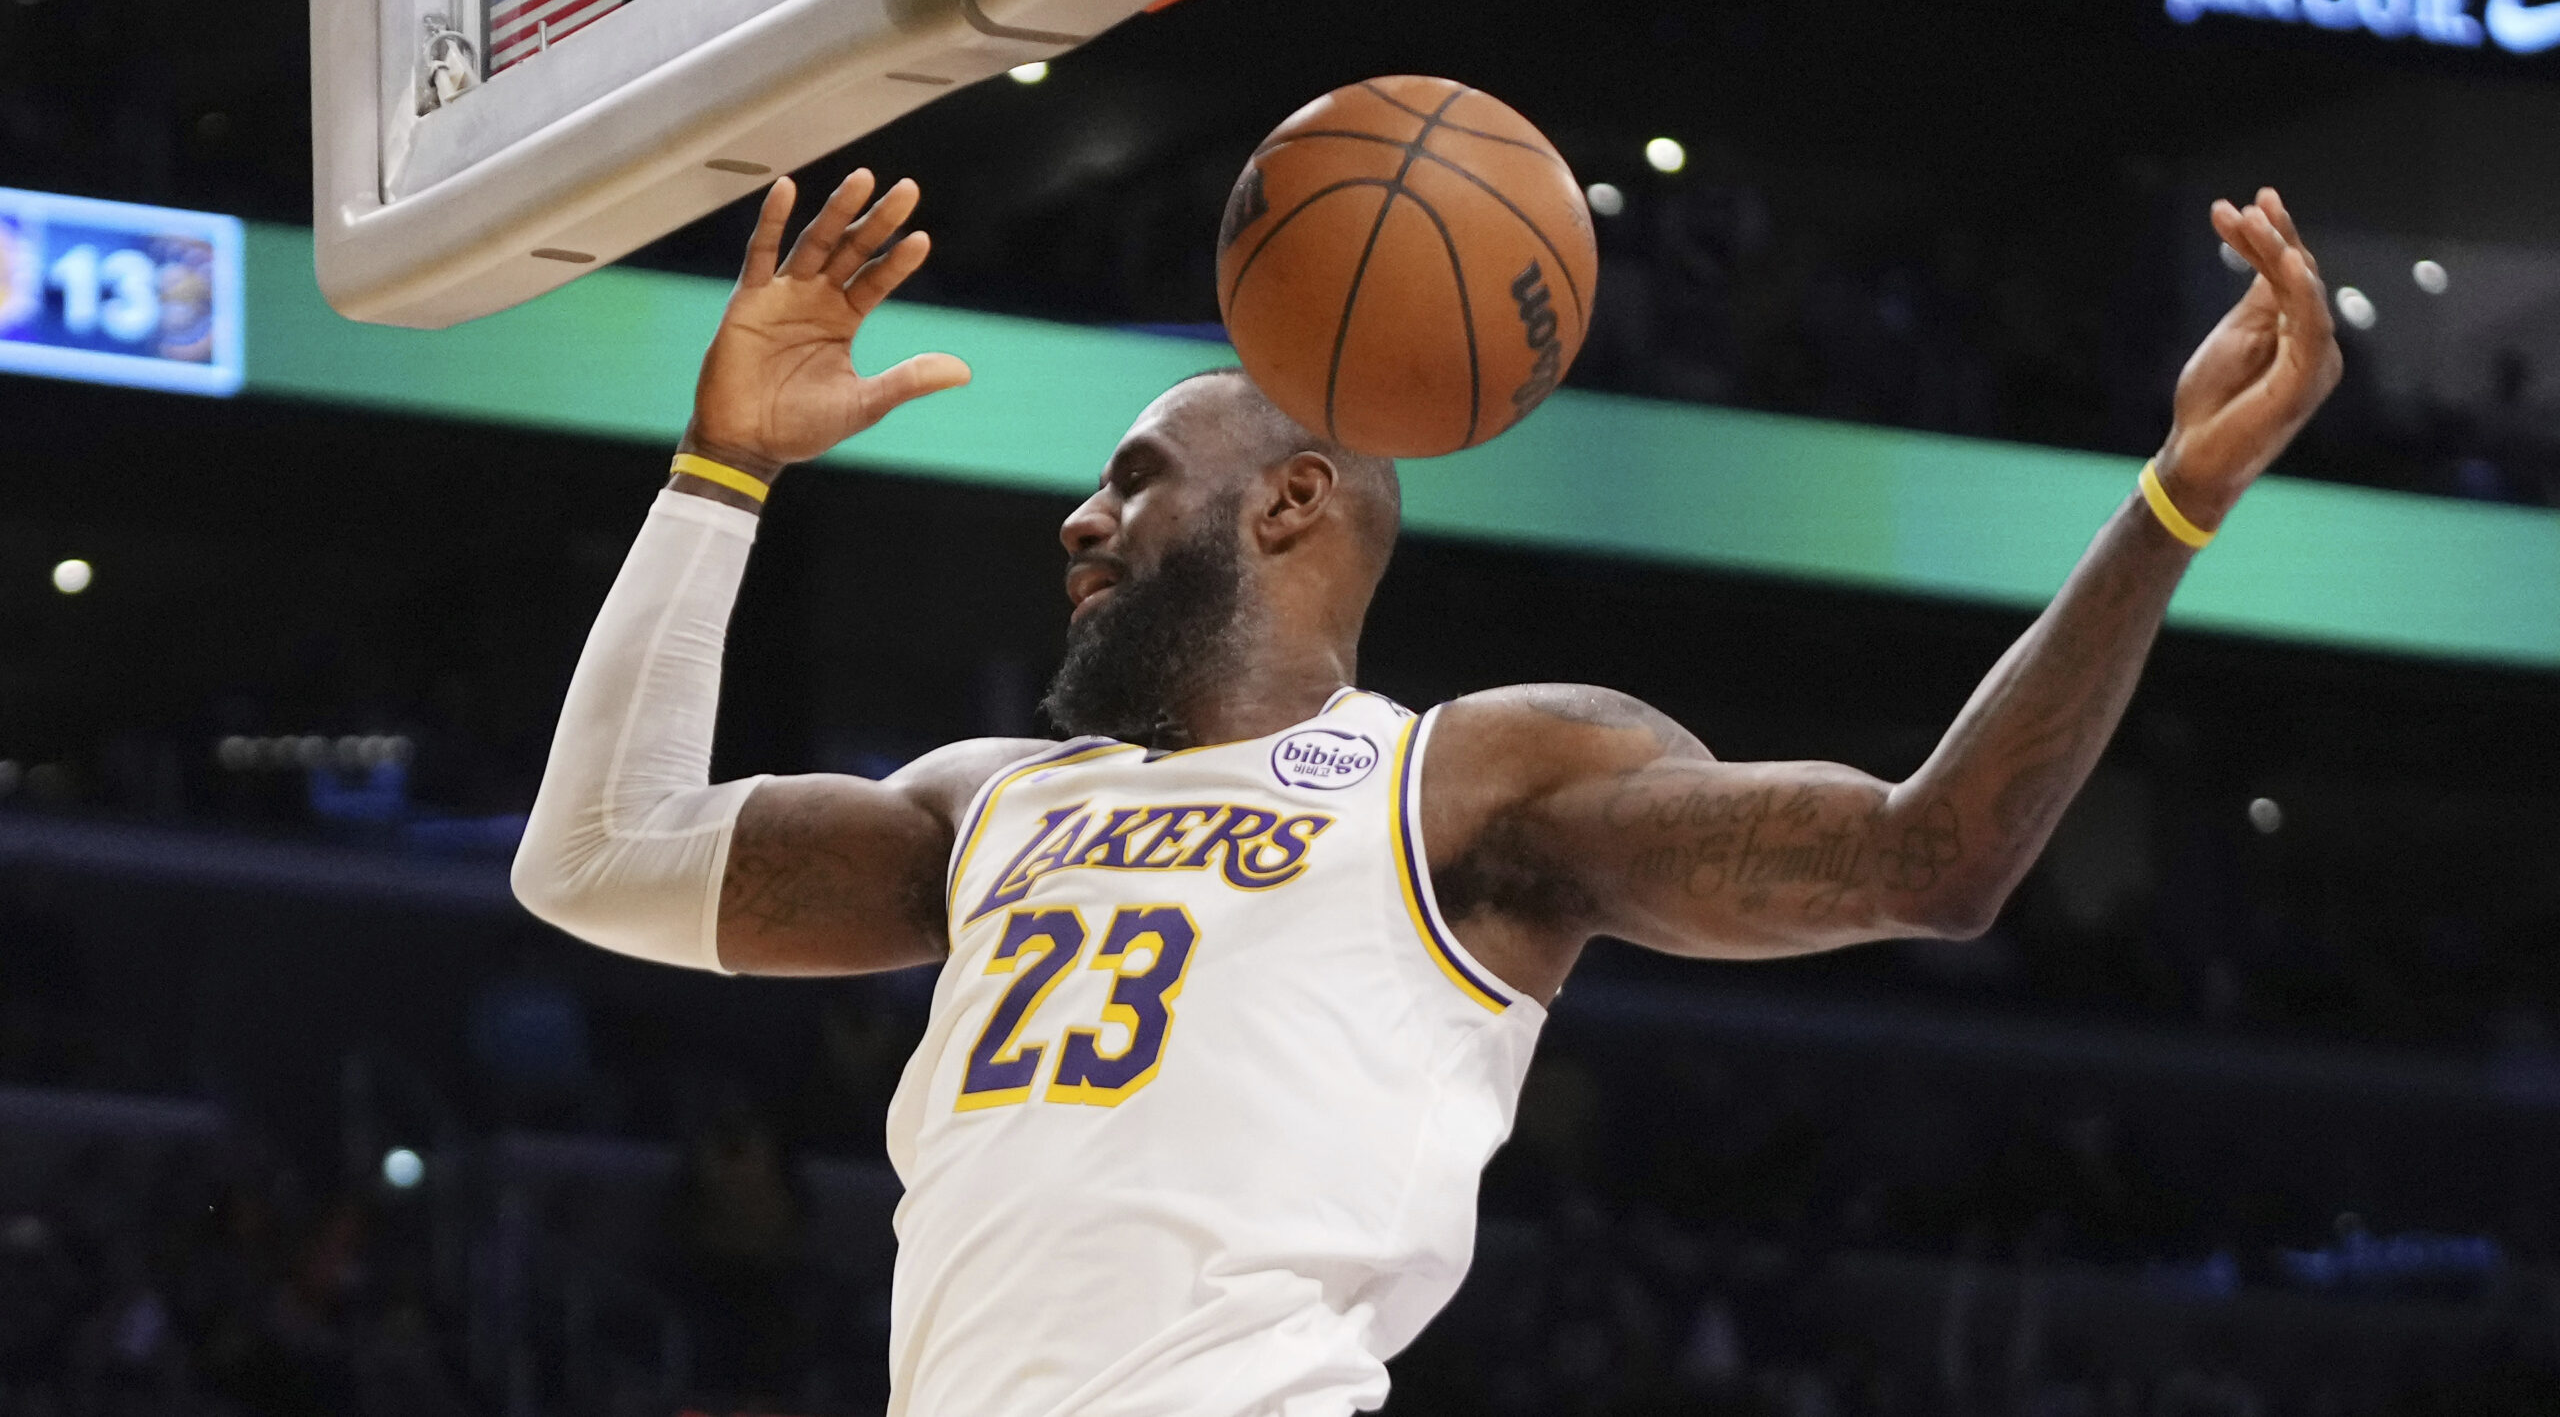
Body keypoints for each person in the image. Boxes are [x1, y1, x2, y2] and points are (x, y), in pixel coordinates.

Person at [512, 167, 2341, 1417]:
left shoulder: (1472, 781)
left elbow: (1932, 858)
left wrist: (2170, 501)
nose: (1080, 519)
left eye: (1135, 479)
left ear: (1293, 502)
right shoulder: (990, 802)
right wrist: (719, 474)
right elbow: (592, 864)